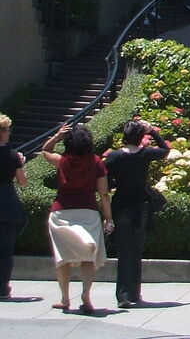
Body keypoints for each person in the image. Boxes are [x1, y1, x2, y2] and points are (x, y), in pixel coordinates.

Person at [41, 123, 112, 314]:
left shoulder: (62, 160)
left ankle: (65, 298)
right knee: (88, 257)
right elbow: (103, 194)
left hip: (61, 212)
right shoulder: (96, 162)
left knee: (63, 258)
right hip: (88, 212)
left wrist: (57, 136)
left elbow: (45, 150)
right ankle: (86, 295)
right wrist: (108, 218)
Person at [104, 118, 169, 308]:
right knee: (137, 249)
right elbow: (165, 150)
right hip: (140, 205)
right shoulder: (145, 154)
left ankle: (123, 294)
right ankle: (135, 292)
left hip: (122, 204)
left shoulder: (115, 157)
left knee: (123, 250)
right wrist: (153, 132)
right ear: (140, 136)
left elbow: (106, 181)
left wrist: (118, 183)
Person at [0, 113, 28, 301]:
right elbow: (22, 182)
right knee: (6, 248)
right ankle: (3, 286)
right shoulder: (12, 154)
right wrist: (21, 164)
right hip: (7, 201)